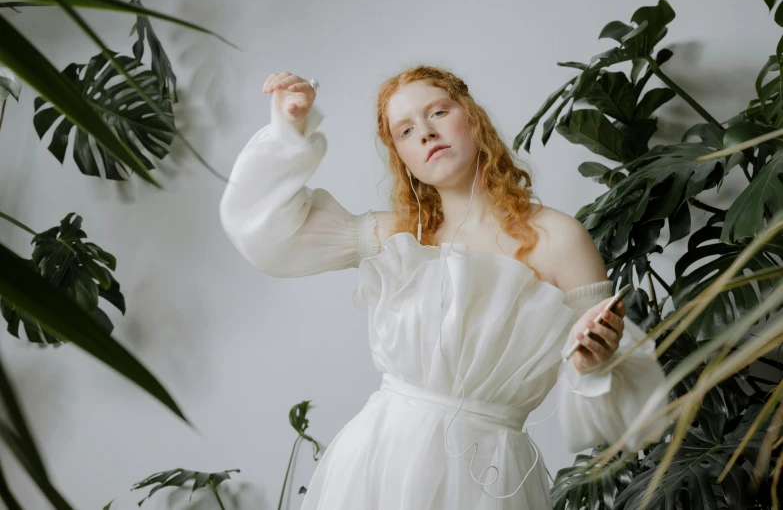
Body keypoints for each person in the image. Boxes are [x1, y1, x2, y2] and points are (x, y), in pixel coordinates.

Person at [219, 66, 669, 508]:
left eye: (437, 113)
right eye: (406, 131)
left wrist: (596, 361)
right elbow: (266, 234)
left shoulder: (559, 237)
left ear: (472, 116)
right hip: (379, 462)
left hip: (489, 476)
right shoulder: (394, 234)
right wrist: (289, 130)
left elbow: (616, 390)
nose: (426, 134)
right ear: (403, 159)